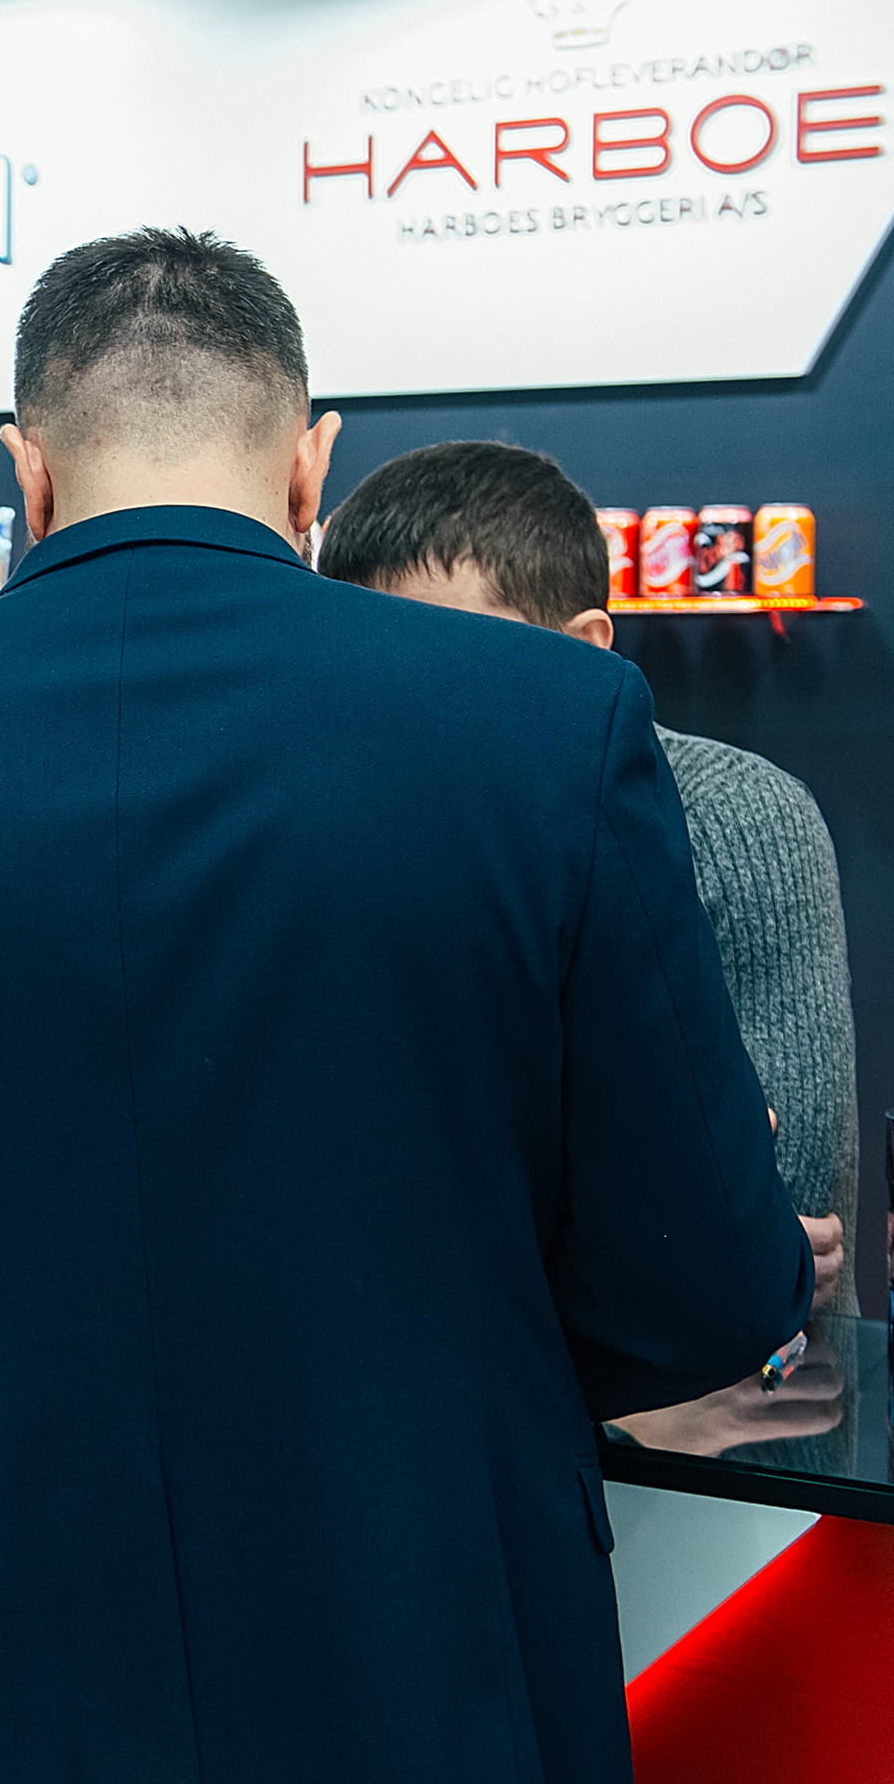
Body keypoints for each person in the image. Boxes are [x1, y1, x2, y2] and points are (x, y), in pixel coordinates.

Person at [0, 227, 814, 1784]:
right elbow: (704, 1282)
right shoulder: (550, 728)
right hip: (429, 1710)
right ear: (311, 463)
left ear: (28, 467)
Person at [315, 439, 860, 1311]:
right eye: (369, 661)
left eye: (455, 659)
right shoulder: (339, 820)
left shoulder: (733, 815)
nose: (406, 703)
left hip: (740, 1384)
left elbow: (783, 1213)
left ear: (590, 651)